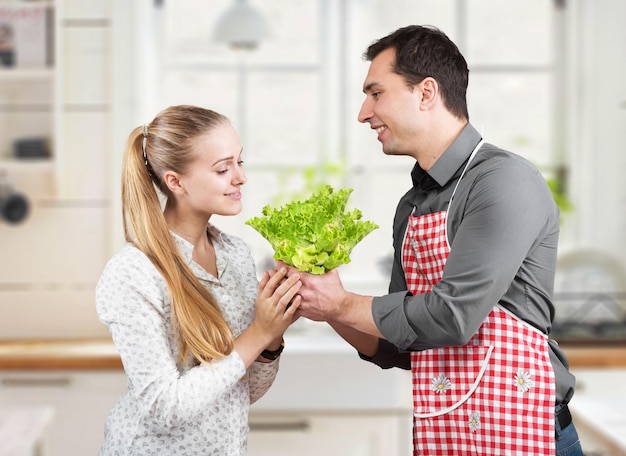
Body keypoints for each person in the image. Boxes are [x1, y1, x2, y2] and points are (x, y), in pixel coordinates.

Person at [285, 25, 583, 455]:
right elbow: (399, 343)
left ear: (426, 92)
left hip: (527, 434)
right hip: (450, 437)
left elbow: (452, 316)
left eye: (376, 93)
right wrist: (321, 303)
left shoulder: (502, 181)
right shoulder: (414, 204)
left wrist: (342, 303)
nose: (364, 113)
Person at [96, 105, 302, 455]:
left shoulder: (235, 254)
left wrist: (273, 335)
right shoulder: (134, 272)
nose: (240, 177)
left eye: (240, 162)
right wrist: (258, 333)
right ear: (175, 182)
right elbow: (166, 406)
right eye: (223, 168)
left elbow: (243, 392)